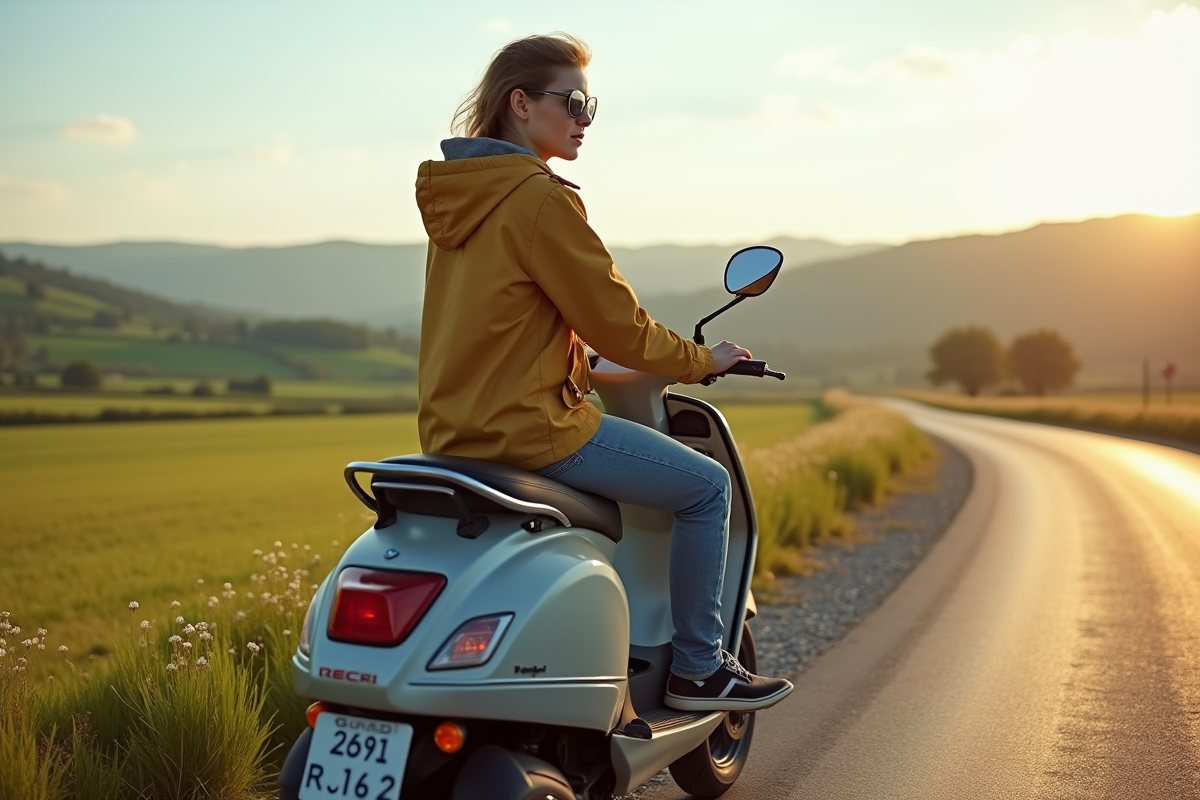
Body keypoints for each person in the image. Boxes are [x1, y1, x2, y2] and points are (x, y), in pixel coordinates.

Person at [414, 33, 792, 712]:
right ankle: (699, 669)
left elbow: (496, 318)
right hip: (533, 431)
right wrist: (705, 359)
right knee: (706, 488)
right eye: (575, 101)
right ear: (521, 104)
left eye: (594, 105)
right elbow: (620, 324)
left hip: (453, 431)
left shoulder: (461, 200)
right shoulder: (538, 198)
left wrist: (571, 357)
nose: (586, 118)